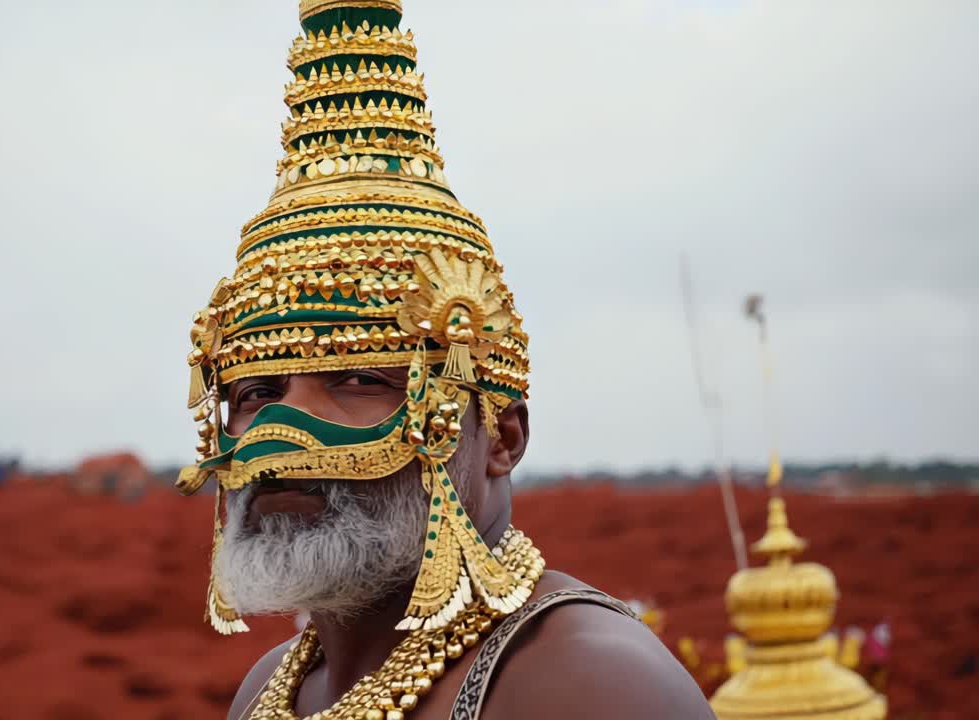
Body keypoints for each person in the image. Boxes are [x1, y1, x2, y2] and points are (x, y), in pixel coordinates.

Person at [173, 2, 715, 718]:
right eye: (255, 391)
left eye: (361, 379)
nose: (282, 428)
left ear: (501, 437)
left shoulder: (585, 685)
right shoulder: (268, 692)